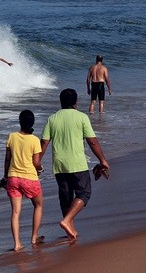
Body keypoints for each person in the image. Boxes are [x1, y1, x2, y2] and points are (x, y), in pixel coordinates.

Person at [38, 89, 110, 241]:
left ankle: (71, 230)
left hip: (59, 165)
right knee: (84, 194)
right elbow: (92, 141)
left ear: (61, 102)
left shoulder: (52, 119)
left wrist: (36, 163)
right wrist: (102, 160)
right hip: (77, 164)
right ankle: (66, 221)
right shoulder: (82, 117)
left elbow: (44, 143)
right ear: (75, 103)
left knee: (66, 198)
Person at [2, 110, 44, 251]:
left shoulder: (12, 137)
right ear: (32, 123)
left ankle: (17, 244)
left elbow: (7, 159)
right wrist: (40, 169)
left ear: (20, 121)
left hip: (13, 178)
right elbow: (36, 163)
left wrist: (5, 176)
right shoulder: (34, 140)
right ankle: (34, 238)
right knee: (38, 205)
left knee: (15, 212)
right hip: (29, 178)